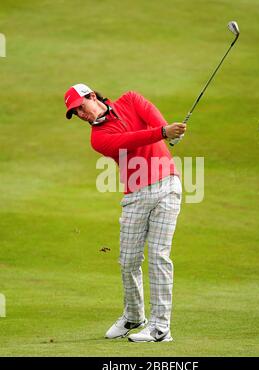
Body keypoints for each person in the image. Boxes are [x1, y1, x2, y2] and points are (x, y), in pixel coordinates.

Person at [64, 83, 186, 342]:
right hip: (135, 196)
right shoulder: (97, 139)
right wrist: (164, 132)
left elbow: (153, 115)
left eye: (80, 108)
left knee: (158, 256)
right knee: (128, 260)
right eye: (76, 114)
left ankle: (160, 328)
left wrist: (169, 132)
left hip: (167, 186)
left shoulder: (131, 99)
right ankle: (134, 316)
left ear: (92, 97)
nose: (81, 115)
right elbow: (129, 141)